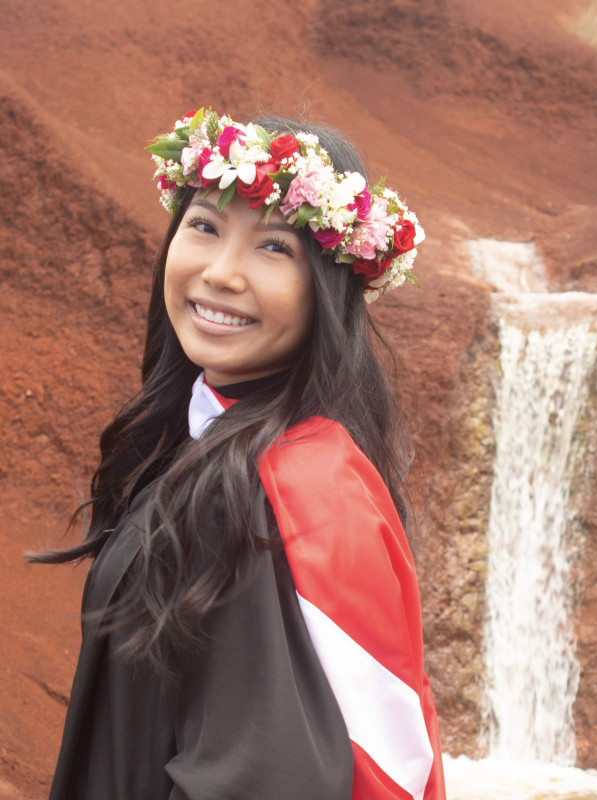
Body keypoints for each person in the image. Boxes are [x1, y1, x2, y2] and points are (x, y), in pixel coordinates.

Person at [37, 107, 446, 799]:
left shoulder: (271, 500)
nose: (221, 273)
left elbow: (261, 776)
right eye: (204, 227)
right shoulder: (223, 448)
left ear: (329, 289)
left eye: (274, 248)